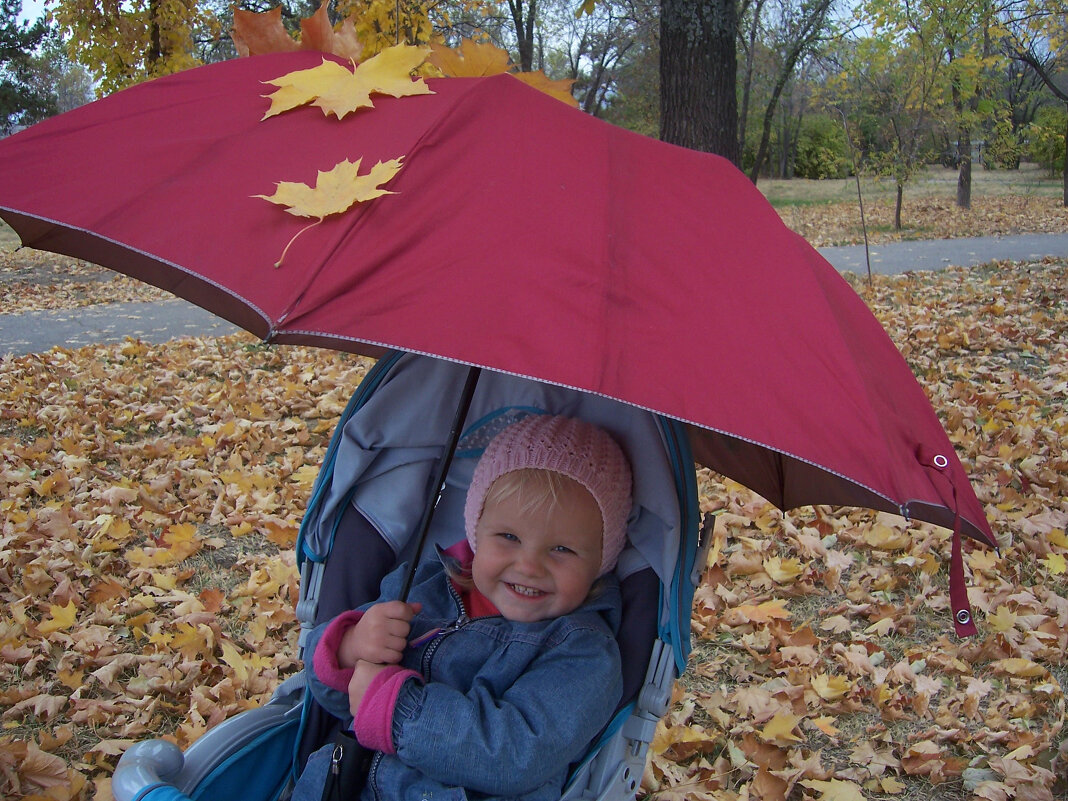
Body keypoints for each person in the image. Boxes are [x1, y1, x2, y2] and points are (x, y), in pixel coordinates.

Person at [292, 413, 633, 801]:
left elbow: (516, 755)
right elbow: (336, 697)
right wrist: (350, 647)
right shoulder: (423, 586)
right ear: (476, 531)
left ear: (601, 561)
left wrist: (397, 708)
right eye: (508, 536)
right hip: (339, 784)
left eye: (562, 549)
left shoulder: (582, 652)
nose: (529, 566)